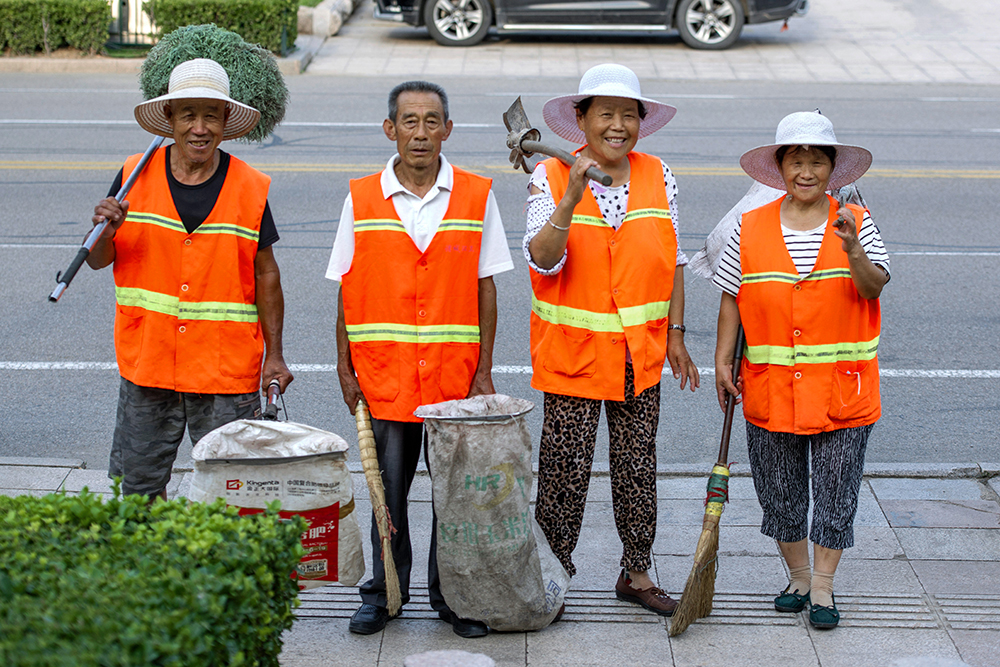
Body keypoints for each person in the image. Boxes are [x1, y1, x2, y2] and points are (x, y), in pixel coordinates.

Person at [327, 81, 514, 637]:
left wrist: (483, 371)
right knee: (386, 495)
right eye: (410, 121)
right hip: (384, 378)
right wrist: (344, 365)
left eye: (432, 121)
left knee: (453, 501)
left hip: (454, 382)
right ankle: (383, 593)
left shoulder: (476, 195)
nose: (421, 133)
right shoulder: (361, 197)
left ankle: (453, 598)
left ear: (448, 131)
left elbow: (486, 287)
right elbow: (345, 285)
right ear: (391, 130)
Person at [524, 64, 698, 617]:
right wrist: (570, 196)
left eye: (629, 114)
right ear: (581, 120)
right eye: (606, 114)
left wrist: (675, 332)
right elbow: (543, 257)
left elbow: (671, 260)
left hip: (639, 353)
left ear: (641, 122)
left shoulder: (659, 174)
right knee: (563, 469)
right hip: (574, 353)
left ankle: (638, 573)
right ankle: (551, 575)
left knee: (636, 465)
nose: (618, 125)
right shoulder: (549, 176)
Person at [713, 111, 890, 629]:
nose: (807, 170)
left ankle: (825, 588)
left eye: (817, 160)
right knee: (779, 491)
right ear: (780, 167)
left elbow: (873, 286)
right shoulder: (749, 227)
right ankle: (797, 577)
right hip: (770, 387)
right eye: (797, 159)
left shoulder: (858, 222)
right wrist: (723, 360)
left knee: (836, 493)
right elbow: (732, 299)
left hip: (843, 390)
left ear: (833, 170)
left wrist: (852, 246)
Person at [88, 58, 292, 502]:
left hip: (224, 370)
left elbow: (266, 274)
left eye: (210, 116)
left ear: (224, 123)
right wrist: (105, 230)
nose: (199, 128)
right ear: (169, 119)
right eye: (188, 115)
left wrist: (275, 355)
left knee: (231, 492)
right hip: (149, 364)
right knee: (139, 489)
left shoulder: (250, 186)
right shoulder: (132, 177)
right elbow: (99, 260)